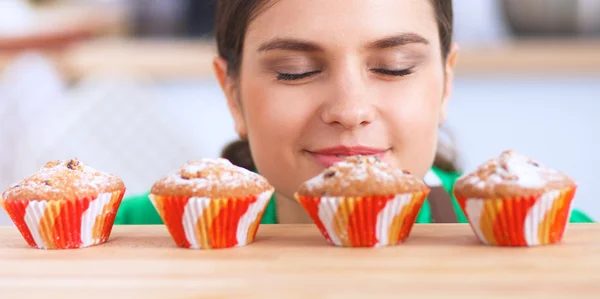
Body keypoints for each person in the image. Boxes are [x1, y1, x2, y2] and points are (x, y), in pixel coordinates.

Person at [115, 0, 593, 225]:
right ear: (232, 94)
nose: (349, 110)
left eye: (393, 67)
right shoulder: (129, 234)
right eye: (296, 71)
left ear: (446, 82)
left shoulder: (560, 238)